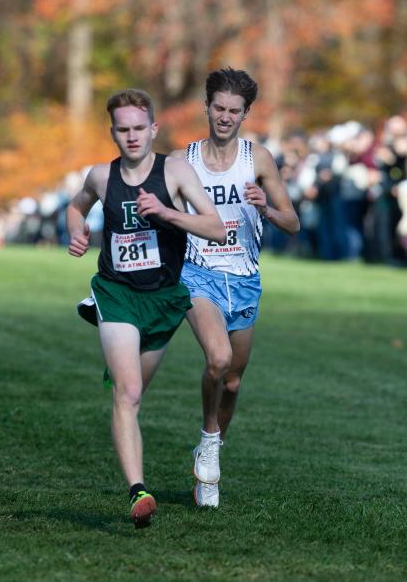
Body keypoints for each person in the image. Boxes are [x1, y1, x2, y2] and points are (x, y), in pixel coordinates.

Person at [66, 88, 225, 528]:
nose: (132, 136)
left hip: (163, 298)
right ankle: (138, 491)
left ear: (153, 128)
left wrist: (166, 213)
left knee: (135, 391)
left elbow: (215, 228)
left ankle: (118, 375)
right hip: (117, 293)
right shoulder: (101, 176)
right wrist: (76, 232)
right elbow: (75, 207)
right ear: (112, 132)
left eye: (140, 128)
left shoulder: (175, 171)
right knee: (129, 392)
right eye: (123, 129)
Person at [170, 68, 300, 508]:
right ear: (207, 107)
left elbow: (293, 222)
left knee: (233, 381)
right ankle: (208, 443)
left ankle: (212, 452)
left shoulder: (258, 159)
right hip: (198, 273)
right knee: (218, 358)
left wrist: (265, 208)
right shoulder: (181, 160)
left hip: (244, 278)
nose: (225, 117)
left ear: (246, 114)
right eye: (218, 108)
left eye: (234, 111)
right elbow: (166, 221)